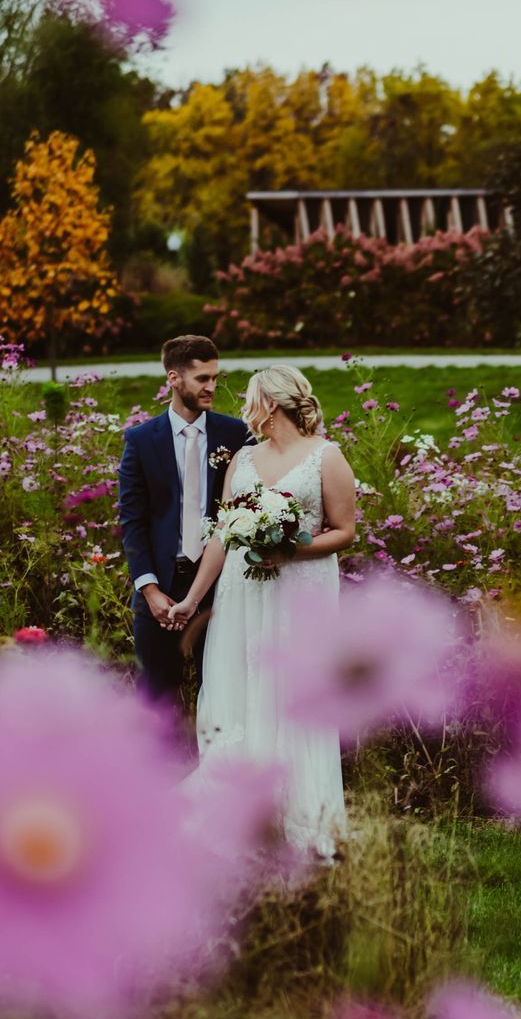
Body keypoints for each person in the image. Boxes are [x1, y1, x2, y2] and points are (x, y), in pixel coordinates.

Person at [167, 365, 357, 858]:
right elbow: (221, 538)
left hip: (300, 593)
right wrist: (192, 600)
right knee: (242, 692)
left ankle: (300, 821)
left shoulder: (326, 457)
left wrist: (290, 549)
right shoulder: (244, 460)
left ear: (271, 404)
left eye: (250, 398)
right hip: (243, 595)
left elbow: (344, 531)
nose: (244, 406)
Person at [116, 336, 249, 756]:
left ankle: (219, 777)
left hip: (221, 583)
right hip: (159, 583)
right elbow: (132, 521)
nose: (212, 386)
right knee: (156, 695)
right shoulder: (141, 440)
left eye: (215, 377)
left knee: (226, 687)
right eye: (202, 378)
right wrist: (150, 589)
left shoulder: (236, 433)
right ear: (174, 379)